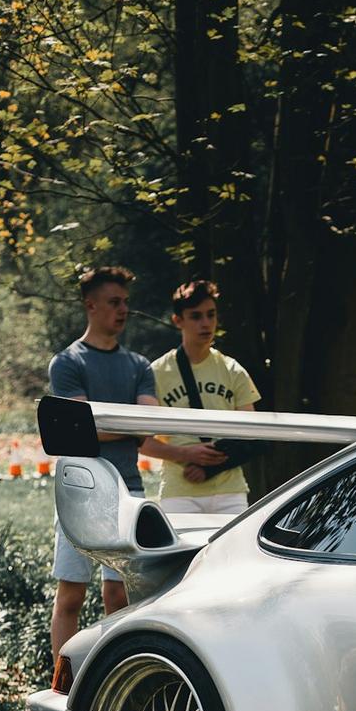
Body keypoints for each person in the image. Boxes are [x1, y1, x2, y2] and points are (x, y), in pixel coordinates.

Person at [48, 265, 158, 660]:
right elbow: (78, 430)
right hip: (79, 489)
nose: (123, 310)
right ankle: (62, 684)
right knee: (71, 594)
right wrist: (117, 424)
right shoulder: (67, 363)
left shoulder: (140, 365)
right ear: (90, 306)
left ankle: (116, 672)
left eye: (126, 302)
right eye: (114, 302)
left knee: (120, 593)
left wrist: (102, 424)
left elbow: (146, 429)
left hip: (128, 488)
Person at [142, 279, 261, 514]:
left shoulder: (232, 369)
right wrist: (185, 454)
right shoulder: (157, 372)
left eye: (211, 315)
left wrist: (210, 466)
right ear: (178, 320)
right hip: (179, 492)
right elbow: (142, 442)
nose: (206, 324)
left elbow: (252, 435)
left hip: (231, 492)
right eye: (196, 316)